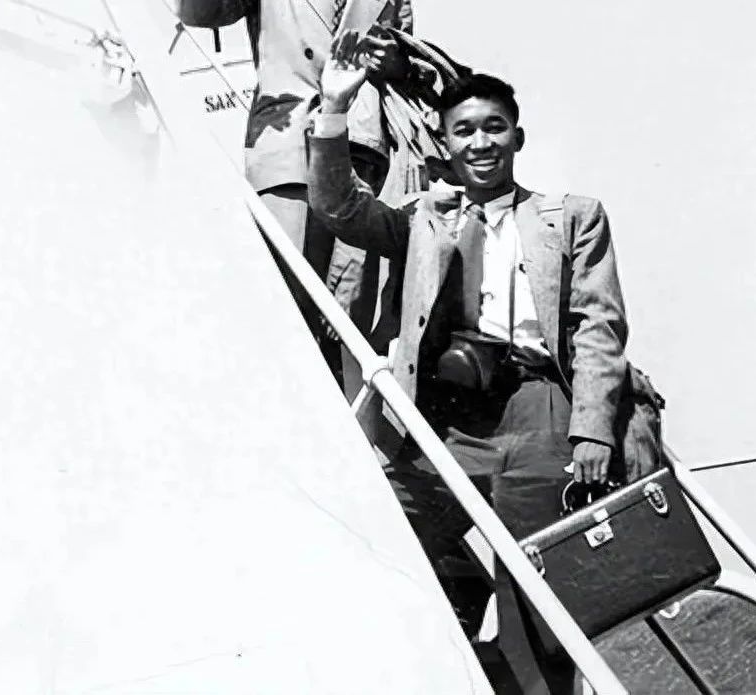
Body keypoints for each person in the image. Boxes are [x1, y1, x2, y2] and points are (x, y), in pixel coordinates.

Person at [309, 37, 636, 694]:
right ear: (446, 141)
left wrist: (593, 431)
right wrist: (336, 110)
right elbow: (339, 208)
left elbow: (599, 329)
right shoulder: (426, 217)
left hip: (540, 414)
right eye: (464, 131)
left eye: (494, 127)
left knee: (540, 607)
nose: (480, 143)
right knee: (383, 537)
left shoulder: (571, 217)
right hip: (450, 420)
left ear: (517, 136)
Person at [176, 0, 413, 378]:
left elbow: (407, 60)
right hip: (289, 149)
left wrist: (398, 64)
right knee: (283, 314)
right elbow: (200, 12)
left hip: (366, 156)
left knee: (350, 323)